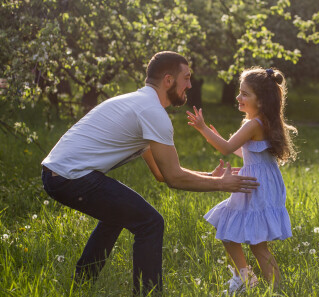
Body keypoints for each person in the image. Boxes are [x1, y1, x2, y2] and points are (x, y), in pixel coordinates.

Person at [41, 51, 259, 296]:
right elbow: (174, 178)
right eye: (186, 78)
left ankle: (81, 284)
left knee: (118, 214)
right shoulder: (152, 113)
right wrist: (222, 184)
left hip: (59, 174)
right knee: (150, 222)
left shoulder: (139, 103)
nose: (189, 84)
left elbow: (162, 174)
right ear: (168, 80)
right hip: (70, 176)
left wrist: (211, 176)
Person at [187, 66, 297, 294]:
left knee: (241, 236)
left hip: (254, 188)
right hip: (262, 185)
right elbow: (250, 153)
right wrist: (216, 137)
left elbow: (227, 148)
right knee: (248, 240)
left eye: (245, 94)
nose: (238, 97)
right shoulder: (265, 121)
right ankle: (258, 282)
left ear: (262, 100)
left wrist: (203, 128)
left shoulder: (253, 124)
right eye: (240, 91)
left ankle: (256, 283)